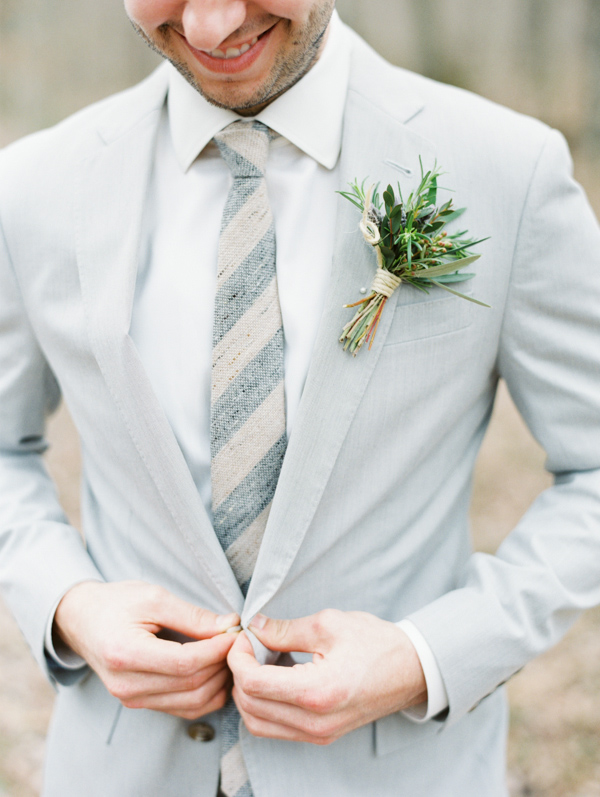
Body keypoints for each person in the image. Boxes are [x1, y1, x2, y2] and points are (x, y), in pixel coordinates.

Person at [1, 1, 599, 795]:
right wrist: (67, 603)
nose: (213, 26)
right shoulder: (33, 186)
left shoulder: (506, 169)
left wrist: (428, 656)